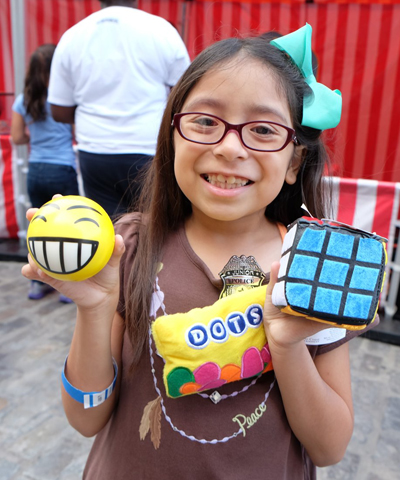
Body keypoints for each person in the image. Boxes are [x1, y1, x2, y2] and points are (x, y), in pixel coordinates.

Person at [22, 24, 378, 479]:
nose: (230, 147)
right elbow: (85, 418)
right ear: (172, 137)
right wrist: (95, 307)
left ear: (294, 162)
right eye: (206, 122)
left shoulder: (315, 264)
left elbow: (329, 448)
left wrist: (286, 346)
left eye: (264, 129)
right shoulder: (128, 247)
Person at [47, 0, 190, 218]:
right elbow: (185, 97)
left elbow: (59, 111)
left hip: (95, 152)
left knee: (107, 231)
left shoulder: (73, 36)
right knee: (153, 228)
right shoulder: (162, 31)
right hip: (148, 149)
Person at [12, 44, 78, 303]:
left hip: (36, 170)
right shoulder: (62, 98)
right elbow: (76, 131)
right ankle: (67, 288)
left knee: (38, 228)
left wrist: (35, 137)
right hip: (62, 168)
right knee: (68, 229)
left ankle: (36, 284)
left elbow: (17, 137)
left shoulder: (23, 100)